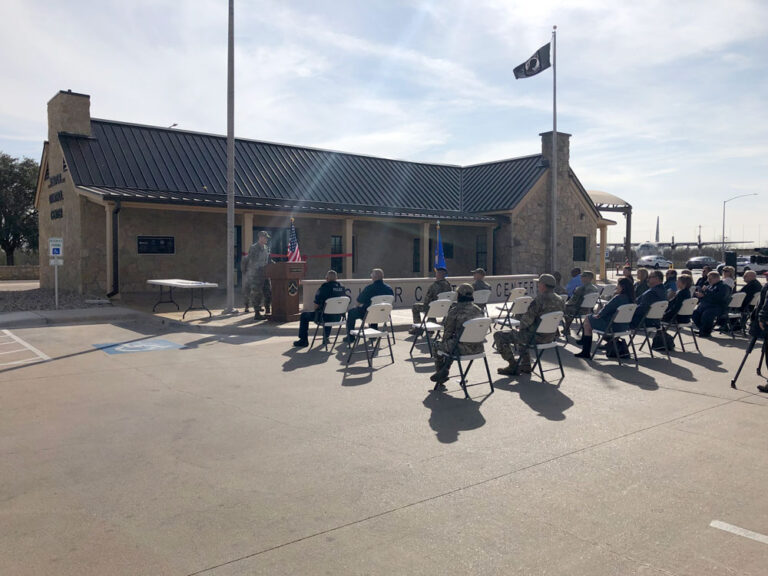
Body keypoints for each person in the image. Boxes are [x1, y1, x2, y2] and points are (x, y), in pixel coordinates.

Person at [494, 274, 565, 375]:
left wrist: (521, 327)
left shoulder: (539, 300)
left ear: (543, 285)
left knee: (499, 335)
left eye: (539, 283)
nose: (538, 285)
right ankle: (526, 365)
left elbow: (526, 321)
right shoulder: (560, 300)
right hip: (550, 337)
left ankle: (513, 366)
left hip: (535, 338)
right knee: (524, 333)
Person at [429, 284, 484, 388]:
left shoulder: (454, 311)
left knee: (437, 344)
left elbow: (447, 334)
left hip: (461, 349)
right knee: (452, 344)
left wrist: (446, 342)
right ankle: (445, 369)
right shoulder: (478, 310)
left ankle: (442, 374)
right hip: (478, 348)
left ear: (459, 295)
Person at [574, 277, 634, 358]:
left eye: (618, 285)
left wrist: (598, 315)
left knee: (588, 319)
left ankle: (586, 351)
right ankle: (584, 343)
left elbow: (605, 310)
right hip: (624, 326)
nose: (616, 287)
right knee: (589, 318)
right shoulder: (631, 299)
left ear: (622, 287)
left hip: (611, 326)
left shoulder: (619, 298)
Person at [293, 270, 347, 347]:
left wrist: (316, 311)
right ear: (336, 278)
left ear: (326, 278)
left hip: (324, 318)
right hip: (337, 318)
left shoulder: (324, 287)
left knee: (304, 315)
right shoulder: (342, 288)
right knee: (329, 312)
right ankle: (326, 337)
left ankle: (303, 340)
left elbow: (316, 305)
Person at [345, 268, 394, 341]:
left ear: (374, 277)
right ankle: (373, 334)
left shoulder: (369, 288)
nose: (371, 276)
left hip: (368, 315)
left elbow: (359, 301)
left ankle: (350, 337)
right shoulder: (389, 289)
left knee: (352, 312)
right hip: (383, 315)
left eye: (371, 275)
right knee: (375, 310)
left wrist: (355, 307)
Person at [409, 265, 452, 334]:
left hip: (433, 309)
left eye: (437, 273)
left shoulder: (434, 286)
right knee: (433, 307)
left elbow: (427, 300)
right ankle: (431, 325)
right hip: (444, 310)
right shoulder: (449, 285)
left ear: (438, 274)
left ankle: (418, 329)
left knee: (416, 307)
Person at [692, 271, 731, 337]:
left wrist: (707, 291)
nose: (708, 280)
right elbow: (706, 297)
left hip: (718, 307)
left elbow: (719, 298)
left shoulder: (724, 286)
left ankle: (705, 332)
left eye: (710, 279)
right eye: (708, 278)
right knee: (695, 313)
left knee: (707, 314)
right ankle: (703, 329)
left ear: (717, 278)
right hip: (707, 306)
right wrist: (701, 295)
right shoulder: (710, 286)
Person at [246, 230, 272, 320]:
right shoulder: (254, 248)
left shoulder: (266, 248)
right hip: (256, 274)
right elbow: (252, 261)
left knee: (268, 292)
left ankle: (268, 310)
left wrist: (276, 265)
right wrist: (259, 268)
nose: (267, 240)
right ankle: (257, 313)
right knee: (256, 293)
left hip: (265, 274)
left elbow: (268, 259)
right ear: (260, 237)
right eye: (265, 238)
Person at [563, 270, 599, 334]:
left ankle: (566, 328)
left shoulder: (580, 288)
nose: (581, 278)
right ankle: (566, 329)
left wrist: (564, 304)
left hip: (578, 310)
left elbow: (572, 302)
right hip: (589, 310)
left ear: (588, 278)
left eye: (583, 276)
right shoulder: (595, 289)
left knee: (563, 308)